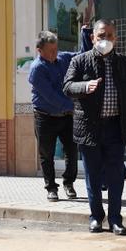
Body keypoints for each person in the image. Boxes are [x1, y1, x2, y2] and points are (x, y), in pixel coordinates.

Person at [63, 19, 126, 236]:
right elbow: (67, 87)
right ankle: (96, 217)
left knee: (116, 177)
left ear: (115, 39)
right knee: (93, 176)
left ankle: (116, 219)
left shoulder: (124, 63)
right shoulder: (80, 61)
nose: (105, 40)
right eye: (101, 36)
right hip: (89, 128)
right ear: (92, 38)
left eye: (109, 36)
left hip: (115, 128)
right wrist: (86, 86)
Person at [29, 28, 92, 202]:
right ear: (39, 51)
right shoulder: (37, 69)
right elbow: (51, 97)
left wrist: (85, 34)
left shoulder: (63, 58)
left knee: (72, 151)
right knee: (46, 154)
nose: (54, 53)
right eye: (50, 51)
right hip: (45, 116)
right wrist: (74, 105)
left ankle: (68, 183)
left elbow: (82, 55)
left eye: (56, 49)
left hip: (66, 116)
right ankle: (51, 188)